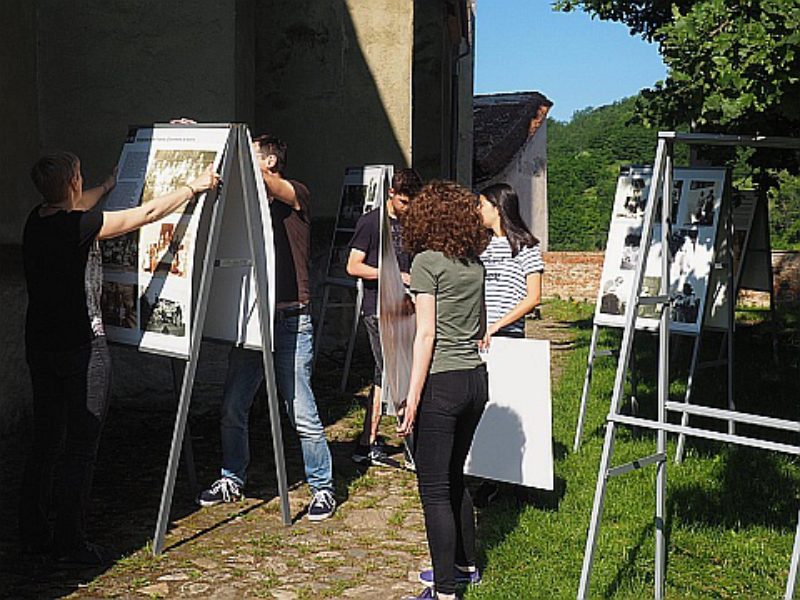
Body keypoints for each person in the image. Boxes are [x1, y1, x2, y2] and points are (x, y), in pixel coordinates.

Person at [20, 151, 219, 565]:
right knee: (80, 446)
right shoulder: (78, 225)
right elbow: (144, 214)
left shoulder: (37, 220)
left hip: (41, 345)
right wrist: (192, 187)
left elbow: (79, 205)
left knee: (45, 442)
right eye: (81, 176)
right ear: (73, 182)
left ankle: (34, 532)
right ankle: (70, 541)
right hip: (80, 344)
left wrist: (110, 185)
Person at [197, 134, 337, 521]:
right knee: (232, 406)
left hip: (291, 321)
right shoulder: (249, 206)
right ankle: (232, 477)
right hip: (254, 319)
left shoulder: (296, 194)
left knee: (302, 411)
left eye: (253, 155)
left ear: (271, 160)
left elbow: (270, 185)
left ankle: (322, 487)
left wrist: (231, 155)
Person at [398, 181, 490, 600]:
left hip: (442, 383)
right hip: (475, 380)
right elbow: (477, 327)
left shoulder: (425, 263)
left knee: (434, 490)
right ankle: (465, 565)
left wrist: (412, 397)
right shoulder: (474, 264)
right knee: (455, 478)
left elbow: (426, 334)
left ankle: (446, 591)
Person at [473, 183, 544, 507]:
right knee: (490, 408)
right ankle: (491, 476)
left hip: (509, 337)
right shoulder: (483, 247)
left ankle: (521, 477)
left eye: (482, 205)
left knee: (514, 408)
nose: (478, 210)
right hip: (483, 338)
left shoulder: (526, 247)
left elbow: (534, 297)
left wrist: (499, 324)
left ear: (497, 208)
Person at [346, 168, 422, 467]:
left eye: (411, 203)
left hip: (404, 308)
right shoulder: (370, 223)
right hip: (377, 309)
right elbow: (353, 266)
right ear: (391, 194)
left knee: (385, 374)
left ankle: (367, 443)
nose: (407, 208)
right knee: (393, 373)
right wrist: (392, 275)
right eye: (403, 202)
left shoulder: (411, 222)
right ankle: (409, 445)